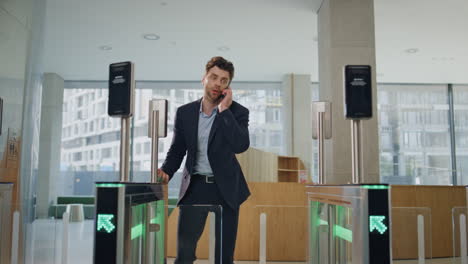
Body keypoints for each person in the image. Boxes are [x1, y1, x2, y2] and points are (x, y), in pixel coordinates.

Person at [158, 56, 250, 264]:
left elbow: (240, 146)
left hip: (225, 188)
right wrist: (166, 170)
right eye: (214, 77)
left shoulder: (238, 112)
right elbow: (178, 149)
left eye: (224, 80)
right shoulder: (185, 113)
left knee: (224, 256)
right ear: (204, 79)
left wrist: (224, 111)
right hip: (196, 186)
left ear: (228, 85)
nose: (218, 83)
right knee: (185, 252)